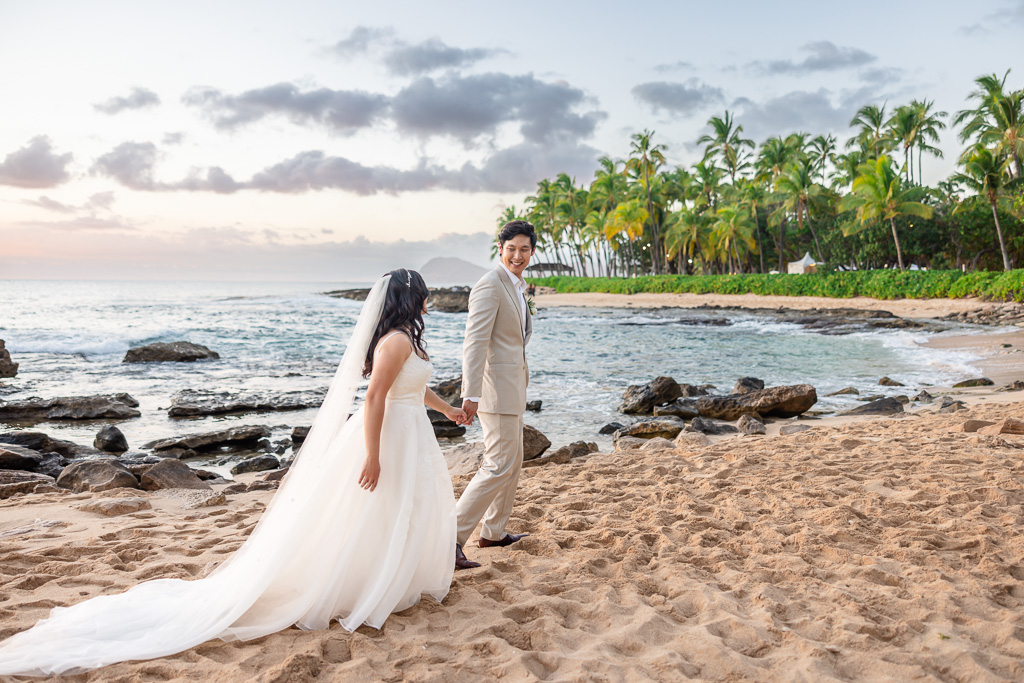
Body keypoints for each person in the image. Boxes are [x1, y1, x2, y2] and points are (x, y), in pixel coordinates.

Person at [0, 269, 466, 676]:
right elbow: (374, 398)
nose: (429, 299)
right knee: (373, 507)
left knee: (399, 507)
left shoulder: (409, 339)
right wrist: (372, 454)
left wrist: (449, 411)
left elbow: (413, 390)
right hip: (385, 436)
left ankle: (388, 577)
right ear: (411, 298)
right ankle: (362, 583)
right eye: (424, 292)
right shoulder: (397, 340)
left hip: (410, 431)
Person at [455, 220, 536, 570]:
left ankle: (493, 531)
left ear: (532, 251)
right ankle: (450, 538)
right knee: (497, 464)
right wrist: (470, 393)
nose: (518, 255)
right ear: (500, 248)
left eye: (524, 248)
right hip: (492, 393)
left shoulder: (516, 286)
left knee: (512, 462)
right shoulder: (489, 285)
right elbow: (474, 342)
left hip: (512, 389)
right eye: (512, 248)